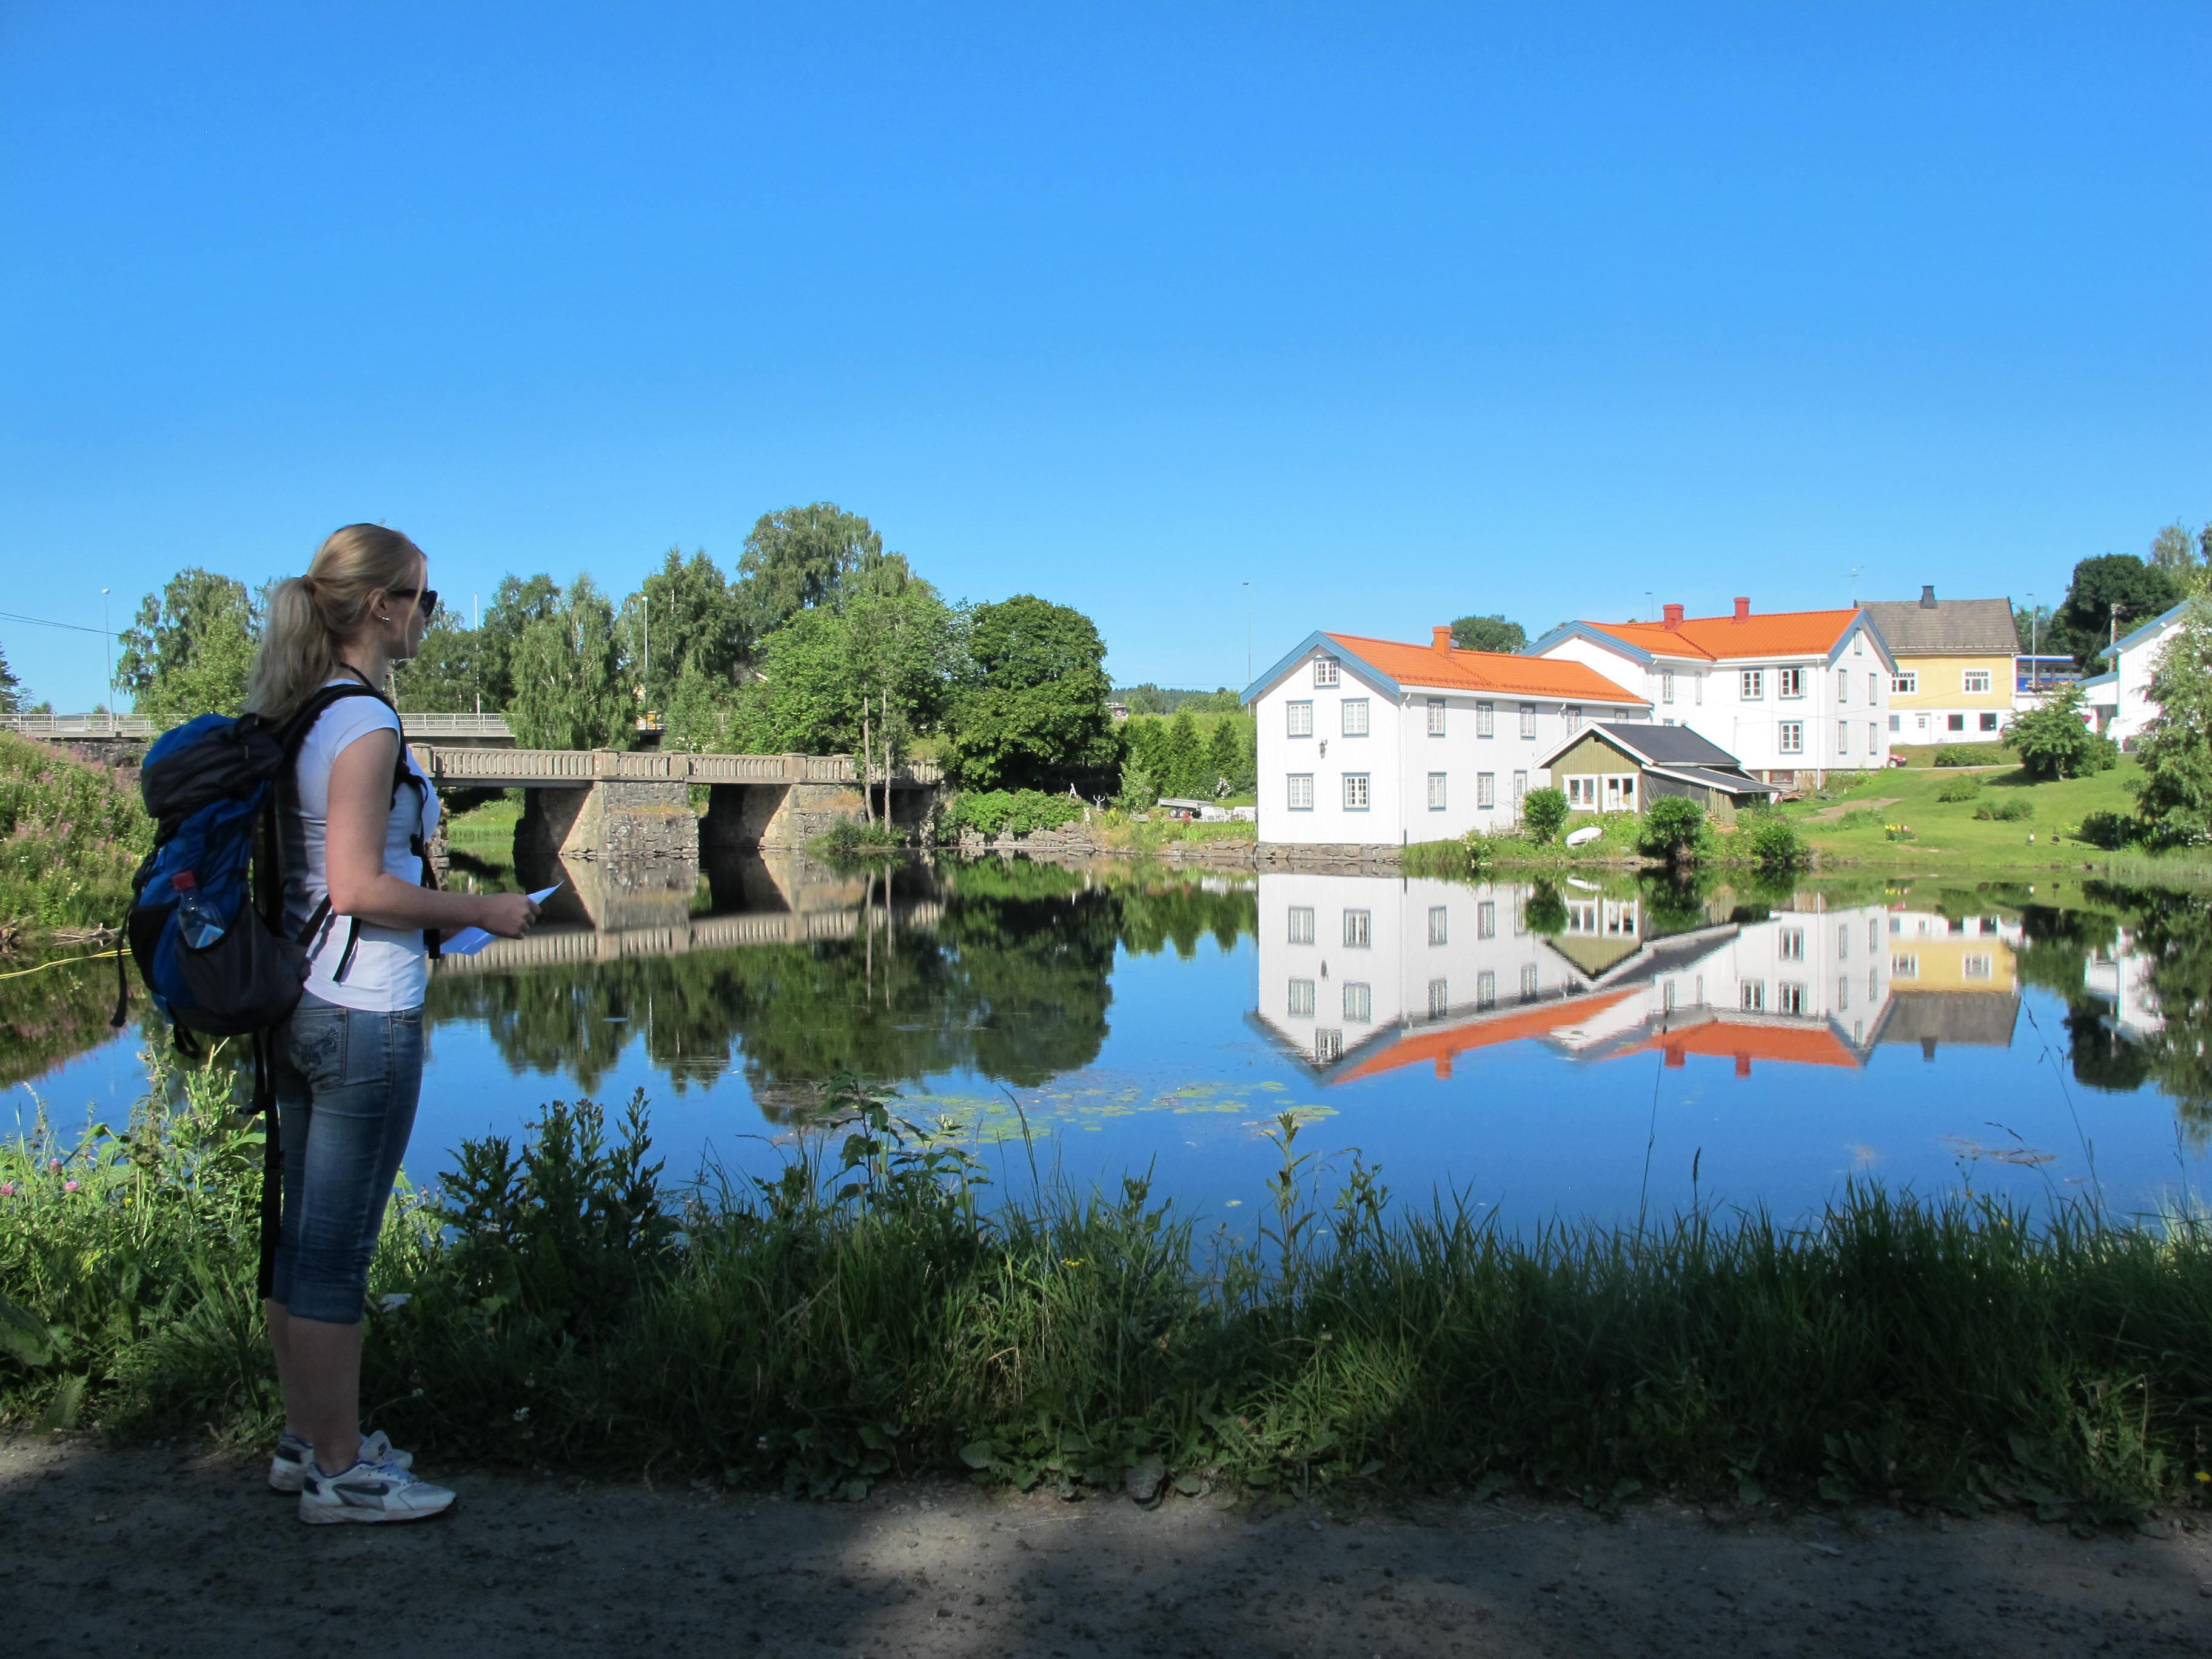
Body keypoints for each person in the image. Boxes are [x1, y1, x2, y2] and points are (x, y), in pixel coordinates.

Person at [244, 523, 540, 1524]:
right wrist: (481, 911)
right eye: (426, 600)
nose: (429, 618)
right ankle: (343, 1472)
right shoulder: (364, 725)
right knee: (335, 1254)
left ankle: (303, 1442)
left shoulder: (300, 711)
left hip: (300, 1001)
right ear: (382, 607)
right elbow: (360, 884)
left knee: (299, 1242)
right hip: (362, 1014)